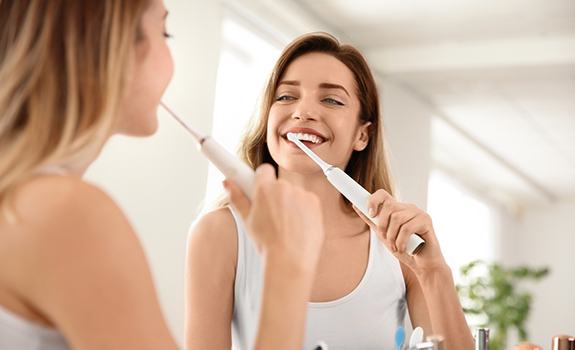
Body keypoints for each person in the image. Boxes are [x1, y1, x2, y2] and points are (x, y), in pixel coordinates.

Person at [0, 1, 324, 349]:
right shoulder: (69, 213)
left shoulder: (28, 199)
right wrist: (288, 268)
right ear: (111, 45)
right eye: (164, 32)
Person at [187, 32, 475, 349]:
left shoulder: (397, 244)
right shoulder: (219, 233)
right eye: (285, 97)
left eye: (331, 100)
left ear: (362, 136)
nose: (303, 111)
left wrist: (434, 273)